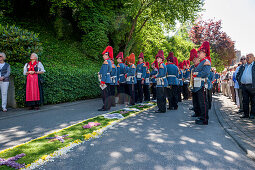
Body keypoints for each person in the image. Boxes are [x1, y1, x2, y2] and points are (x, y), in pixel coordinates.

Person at [192, 41, 211, 125]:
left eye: (199, 52)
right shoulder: (202, 61)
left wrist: (196, 75)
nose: (198, 54)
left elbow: (206, 73)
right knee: (201, 102)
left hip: (202, 84)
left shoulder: (206, 61)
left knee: (203, 102)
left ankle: (204, 119)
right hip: (199, 84)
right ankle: (202, 116)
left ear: (204, 53)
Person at [237, 53, 255, 119]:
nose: (248, 58)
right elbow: (238, 75)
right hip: (244, 86)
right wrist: (240, 82)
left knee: (253, 101)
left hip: (252, 86)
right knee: (245, 101)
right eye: (247, 57)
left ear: (253, 58)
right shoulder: (243, 66)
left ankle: (252, 114)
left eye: (250, 57)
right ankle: (246, 114)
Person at [98, 46, 113, 111]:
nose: (103, 56)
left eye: (104, 55)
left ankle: (106, 107)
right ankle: (107, 106)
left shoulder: (106, 62)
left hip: (105, 80)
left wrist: (102, 82)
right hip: (108, 79)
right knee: (107, 94)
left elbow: (104, 73)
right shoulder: (109, 62)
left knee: (104, 95)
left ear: (107, 55)